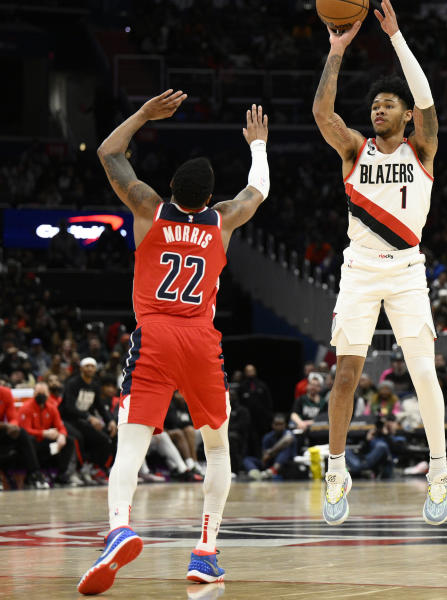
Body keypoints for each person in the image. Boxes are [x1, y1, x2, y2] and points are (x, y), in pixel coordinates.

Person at [77, 91, 270, 594]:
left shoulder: (148, 209)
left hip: (156, 335)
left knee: (131, 446)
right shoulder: (222, 220)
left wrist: (142, 115)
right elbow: (258, 190)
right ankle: (205, 553)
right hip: (201, 340)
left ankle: (119, 526)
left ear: (170, 189)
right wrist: (258, 145)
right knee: (219, 450)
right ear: (209, 199)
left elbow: (108, 153)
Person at [311, 0, 447, 526]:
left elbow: (428, 100)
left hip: (409, 270)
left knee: (423, 375)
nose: (377, 109)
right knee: (345, 375)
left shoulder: (424, 147)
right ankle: (338, 469)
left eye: (388, 104)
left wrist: (394, 36)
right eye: (374, 105)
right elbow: (323, 111)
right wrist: (337, 50)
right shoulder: (354, 149)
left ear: (406, 115)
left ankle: (438, 471)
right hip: (360, 270)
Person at [18, 381, 75, 483]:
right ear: (33, 394)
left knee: (69, 441)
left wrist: (62, 436)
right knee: (28, 439)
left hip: (46, 443)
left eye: (43, 394)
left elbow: (60, 426)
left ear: (48, 394)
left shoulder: (52, 408)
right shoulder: (26, 408)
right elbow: (25, 430)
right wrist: (43, 433)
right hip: (33, 443)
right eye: (38, 394)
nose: (41, 396)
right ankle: (34, 474)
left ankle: (61, 474)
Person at [243, 413, 296, 480]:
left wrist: (271, 451)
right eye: (276, 424)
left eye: (281, 424)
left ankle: (271, 471)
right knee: (247, 459)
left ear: (285, 425)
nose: (279, 427)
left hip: (284, 463)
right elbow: (264, 457)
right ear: (272, 425)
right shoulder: (268, 437)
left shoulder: (288, 433)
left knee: (285, 449)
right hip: (270, 462)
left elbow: (287, 439)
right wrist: (268, 455)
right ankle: (256, 473)